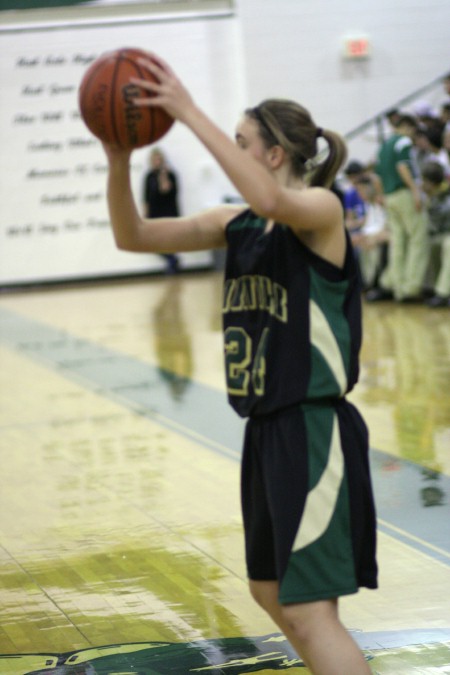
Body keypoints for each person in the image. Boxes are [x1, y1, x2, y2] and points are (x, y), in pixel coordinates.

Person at [103, 53, 378, 674]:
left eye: (241, 142)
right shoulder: (239, 223)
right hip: (267, 431)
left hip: (314, 430)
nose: (233, 151)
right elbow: (133, 237)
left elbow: (271, 200)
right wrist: (118, 159)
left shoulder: (321, 213)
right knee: (270, 592)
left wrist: (186, 110)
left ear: (274, 154)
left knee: (310, 612)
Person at [369, 114, 429, 302]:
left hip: (389, 196)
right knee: (418, 239)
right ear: (408, 126)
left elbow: (376, 176)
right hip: (403, 193)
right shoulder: (403, 141)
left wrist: (381, 195)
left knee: (398, 242)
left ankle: (397, 286)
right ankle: (411, 288)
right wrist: (415, 192)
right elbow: (403, 167)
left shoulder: (384, 146)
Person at [143, 147, 181, 273]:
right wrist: (145, 215)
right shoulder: (149, 176)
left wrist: (164, 175)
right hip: (155, 214)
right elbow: (145, 197)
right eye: (154, 159)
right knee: (153, 243)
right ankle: (172, 260)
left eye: (159, 159)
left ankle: (172, 262)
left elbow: (166, 190)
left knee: (170, 242)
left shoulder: (170, 175)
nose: (157, 162)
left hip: (169, 213)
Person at [421, 161, 450, 307]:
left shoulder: (444, 196)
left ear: (431, 182)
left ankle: (443, 293)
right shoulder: (430, 196)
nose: (421, 184)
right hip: (439, 234)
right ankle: (430, 287)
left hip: (446, 233)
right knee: (428, 244)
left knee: (447, 245)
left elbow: (438, 222)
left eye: (424, 181)